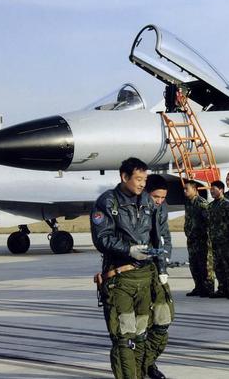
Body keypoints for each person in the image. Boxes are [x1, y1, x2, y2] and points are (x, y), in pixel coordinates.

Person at [91, 157, 157, 379]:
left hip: (145, 278)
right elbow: (102, 238)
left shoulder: (147, 201)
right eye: (138, 179)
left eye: (144, 179)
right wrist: (129, 250)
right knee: (124, 338)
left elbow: (157, 235)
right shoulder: (107, 202)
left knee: (141, 336)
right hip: (120, 280)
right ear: (124, 177)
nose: (142, 184)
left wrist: (160, 270)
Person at [142, 174, 174, 379]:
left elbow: (165, 235)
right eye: (156, 197)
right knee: (139, 325)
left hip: (157, 269)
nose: (160, 201)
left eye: (163, 197)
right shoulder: (135, 209)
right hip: (138, 270)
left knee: (164, 319)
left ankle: (148, 362)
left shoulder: (161, 208)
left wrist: (165, 260)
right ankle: (141, 366)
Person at [183, 180, 215, 298]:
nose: (184, 191)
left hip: (202, 240)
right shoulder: (188, 203)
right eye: (184, 189)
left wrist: (207, 238)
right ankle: (199, 287)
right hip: (192, 239)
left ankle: (208, 288)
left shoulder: (202, 203)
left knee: (205, 265)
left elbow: (209, 222)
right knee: (194, 264)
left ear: (194, 189)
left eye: (187, 189)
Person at [208, 180, 229, 299]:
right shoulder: (211, 206)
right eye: (211, 189)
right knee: (218, 266)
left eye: (214, 189)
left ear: (221, 190)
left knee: (228, 265)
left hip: (226, 241)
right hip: (215, 241)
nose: (211, 192)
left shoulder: (228, 205)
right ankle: (222, 288)